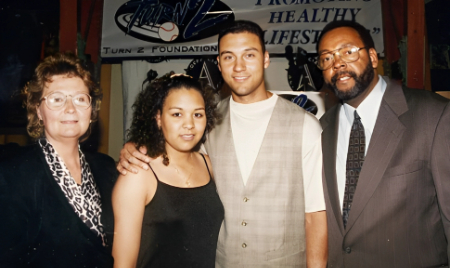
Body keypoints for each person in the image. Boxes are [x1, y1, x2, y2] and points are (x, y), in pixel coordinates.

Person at [118, 20, 327, 267]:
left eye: (249, 55)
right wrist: (134, 147)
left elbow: (315, 216)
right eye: (228, 57)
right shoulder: (205, 122)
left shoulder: (306, 126)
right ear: (219, 65)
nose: (239, 66)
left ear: (266, 59)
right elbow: (171, 149)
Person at [317, 20, 450, 267]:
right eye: (326, 58)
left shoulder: (433, 116)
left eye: (348, 51)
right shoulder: (319, 129)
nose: (337, 63)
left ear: (373, 57)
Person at [0, 53, 117, 267]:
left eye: (80, 99)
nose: (70, 108)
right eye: (57, 99)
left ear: (91, 111)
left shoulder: (107, 168)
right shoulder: (13, 175)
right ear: (38, 110)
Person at [112, 73, 224, 268]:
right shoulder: (138, 174)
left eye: (197, 114)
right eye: (177, 114)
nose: (189, 125)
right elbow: (123, 264)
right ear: (158, 118)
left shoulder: (209, 165)